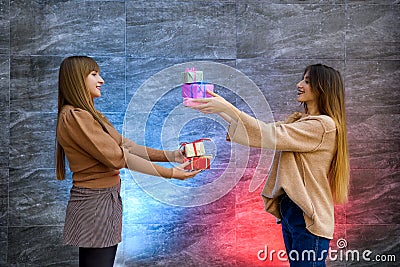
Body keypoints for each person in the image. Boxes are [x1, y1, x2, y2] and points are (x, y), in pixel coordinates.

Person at [190, 64, 350, 266]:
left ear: (323, 88)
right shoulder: (300, 121)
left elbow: (269, 135)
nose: (299, 84)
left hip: (308, 217)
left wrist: (226, 107)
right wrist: (219, 108)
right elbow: (259, 133)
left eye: (307, 81)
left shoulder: (323, 126)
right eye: (303, 79)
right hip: (294, 211)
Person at [55, 56, 199, 267]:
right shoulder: (75, 117)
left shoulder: (89, 115)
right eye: (94, 74)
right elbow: (118, 158)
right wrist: (171, 173)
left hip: (104, 200)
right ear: (76, 79)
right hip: (95, 204)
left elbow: (126, 146)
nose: (101, 79)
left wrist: (171, 156)